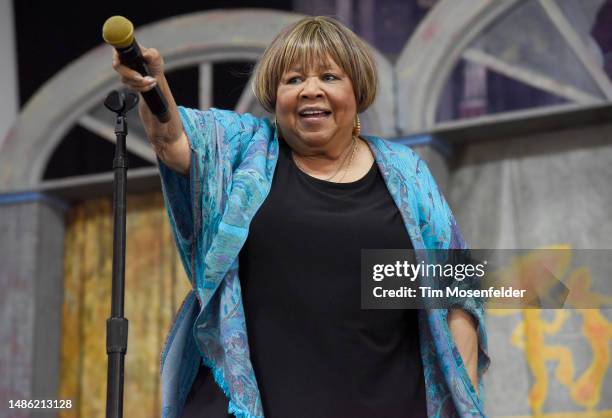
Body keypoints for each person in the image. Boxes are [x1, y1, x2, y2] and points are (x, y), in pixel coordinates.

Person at [112, 16, 490, 418]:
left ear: (357, 90)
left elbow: (458, 294)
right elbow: (173, 140)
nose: (311, 90)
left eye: (329, 76)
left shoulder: (405, 172)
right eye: (293, 80)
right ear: (275, 97)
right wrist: (154, 87)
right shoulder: (246, 150)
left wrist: (461, 405)